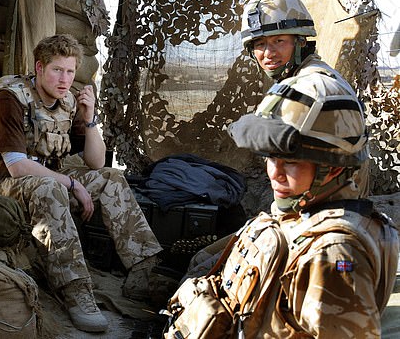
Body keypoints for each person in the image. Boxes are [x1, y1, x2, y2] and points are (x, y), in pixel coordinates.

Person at [165, 69, 399, 338]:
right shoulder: (300, 213)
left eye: (291, 162)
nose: (274, 173)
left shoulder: (335, 254)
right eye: (270, 158)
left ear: (332, 169)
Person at [0, 34, 163, 333]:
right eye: (57, 70)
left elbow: (97, 163)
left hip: (49, 185)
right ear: (39, 67)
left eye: (70, 71)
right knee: (50, 187)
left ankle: (143, 271)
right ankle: (75, 290)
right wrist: (72, 184)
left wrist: (91, 119)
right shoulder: (9, 98)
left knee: (111, 178)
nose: (65, 79)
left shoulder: (68, 100)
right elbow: (17, 167)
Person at [241, 0, 332, 82]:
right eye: (260, 44)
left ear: (301, 41)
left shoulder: (312, 84)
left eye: (278, 41)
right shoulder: (295, 79)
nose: (268, 53)